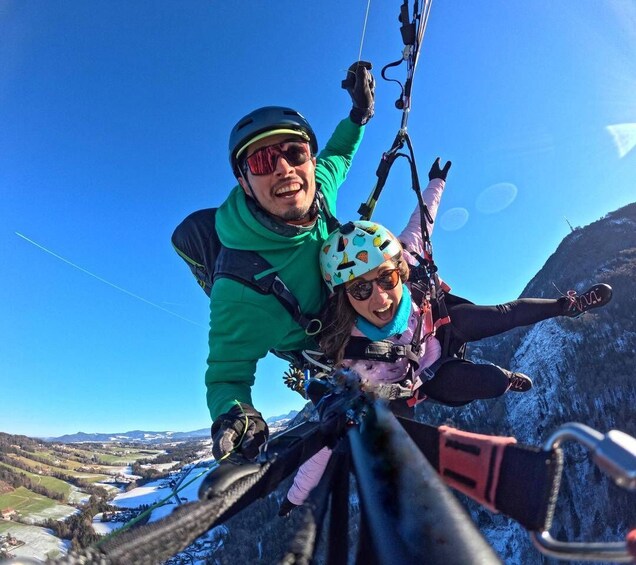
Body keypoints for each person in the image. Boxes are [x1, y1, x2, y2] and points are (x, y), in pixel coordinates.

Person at [279, 157, 613, 514]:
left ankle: (567, 305)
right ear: (343, 298)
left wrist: (436, 181)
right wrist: (295, 496)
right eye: (360, 290)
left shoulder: (406, 255)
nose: (380, 298)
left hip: (441, 326)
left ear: (399, 270)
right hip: (425, 378)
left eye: (387, 279)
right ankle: (506, 380)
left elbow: (423, 219)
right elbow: (326, 437)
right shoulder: (350, 356)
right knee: (486, 383)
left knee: (503, 314)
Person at [205, 62, 376, 462]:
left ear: (309, 161)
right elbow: (227, 373)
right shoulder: (241, 284)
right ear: (244, 182)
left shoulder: (318, 190)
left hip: (355, 302)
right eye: (262, 162)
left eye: (294, 152)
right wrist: (238, 414)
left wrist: (359, 114)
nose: (284, 168)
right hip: (318, 347)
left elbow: (339, 153)